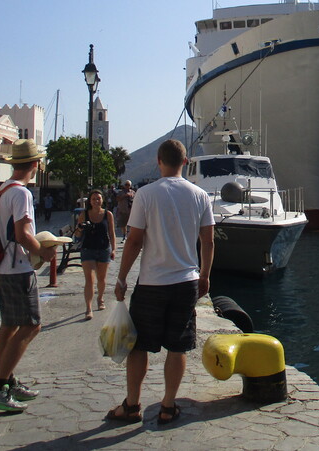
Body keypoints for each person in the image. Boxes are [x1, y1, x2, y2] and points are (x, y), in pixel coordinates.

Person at [106, 139, 214, 425]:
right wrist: (205, 275)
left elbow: (134, 240)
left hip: (152, 283)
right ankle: (167, 406)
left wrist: (121, 278)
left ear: (158, 160)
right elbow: (208, 240)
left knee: (139, 345)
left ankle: (131, 405)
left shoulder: (145, 194)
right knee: (177, 345)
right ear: (185, 162)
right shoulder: (200, 195)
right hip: (186, 281)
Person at [0, 139, 58, 413]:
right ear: (35, 165)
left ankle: (7, 382)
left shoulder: (3, 190)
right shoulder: (22, 194)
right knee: (32, 325)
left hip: (2, 266)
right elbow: (23, 234)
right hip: (18, 269)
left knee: (9, 325)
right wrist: (44, 254)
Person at [74, 189, 116, 320]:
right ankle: (88, 307)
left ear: (102, 200)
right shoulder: (84, 214)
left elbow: (112, 233)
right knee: (90, 280)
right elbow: (77, 234)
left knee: (101, 279)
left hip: (104, 249)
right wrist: (80, 228)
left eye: (98, 198)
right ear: (90, 201)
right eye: (93, 199)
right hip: (88, 249)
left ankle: (100, 298)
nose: (96, 201)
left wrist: (114, 249)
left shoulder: (108, 215)